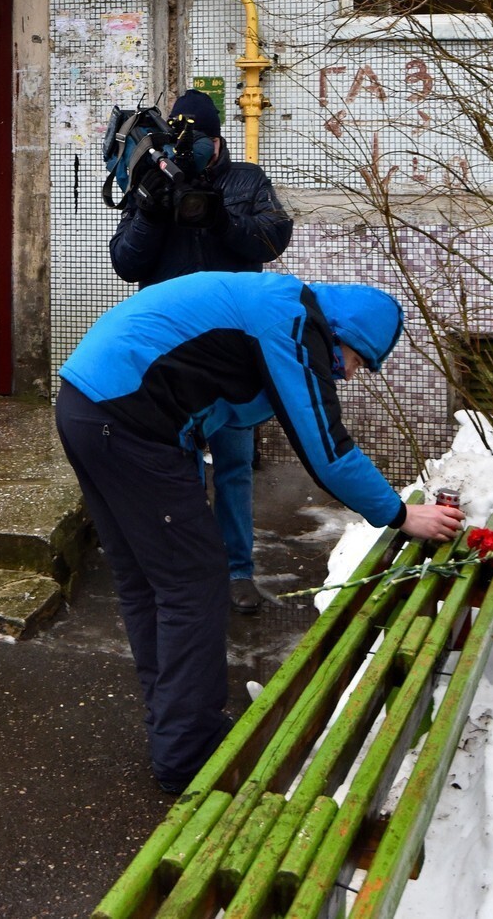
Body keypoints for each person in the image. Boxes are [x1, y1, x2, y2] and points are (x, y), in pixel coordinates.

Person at [55, 271, 465, 794]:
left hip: (93, 407)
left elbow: (223, 396)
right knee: (193, 583)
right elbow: (324, 445)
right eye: (359, 360)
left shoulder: (280, 306)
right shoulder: (292, 322)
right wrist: (400, 514)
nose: (353, 373)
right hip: (128, 420)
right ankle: (190, 754)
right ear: (341, 333)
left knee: (150, 581)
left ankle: (174, 730)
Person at [109, 88, 293, 615]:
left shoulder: (247, 181)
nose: (189, 150)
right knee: (178, 465)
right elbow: (126, 263)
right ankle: (188, 572)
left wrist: (219, 221)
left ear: (217, 139)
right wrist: (151, 209)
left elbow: (272, 241)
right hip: (169, 355)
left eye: (199, 139)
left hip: (232, 352)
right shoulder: (153, 178)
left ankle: (238, 570)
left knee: (234, 465)